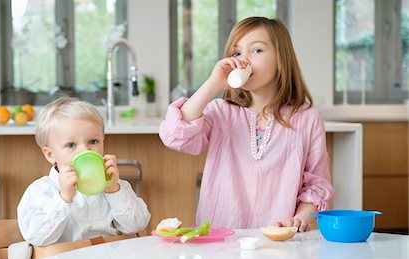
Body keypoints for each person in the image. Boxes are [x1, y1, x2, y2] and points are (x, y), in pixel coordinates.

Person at [159, 17, 334, 231]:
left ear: (281, 59)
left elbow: (317, 185)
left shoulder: (307, 118)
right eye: (237, 53)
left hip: (279, 241)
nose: (245, 61)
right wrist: (213, 84)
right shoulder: (220, 112)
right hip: (221, 240)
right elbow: (175, 136)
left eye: (257, 50)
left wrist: (300, 219)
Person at [18, 97, 151, 246]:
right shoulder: (40, 191)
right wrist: (64, 198)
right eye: (71, 145)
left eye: (93, 142)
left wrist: (114, 191)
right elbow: (37, 237)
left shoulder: (115, 185)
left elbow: (138, 224)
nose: (85, 150)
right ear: (50, 155)